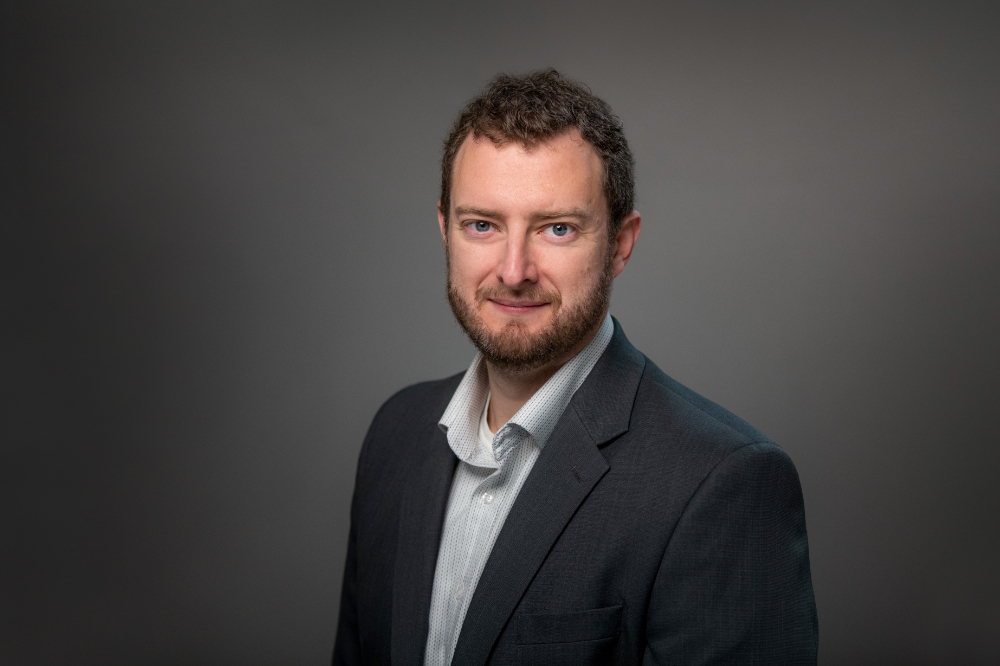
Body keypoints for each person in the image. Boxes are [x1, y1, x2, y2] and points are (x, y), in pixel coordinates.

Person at [333, 69, 817, 666]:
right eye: (482, 225)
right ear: (445, 231)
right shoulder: (395, 435)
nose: (513, 270)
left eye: (556, 228)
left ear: (619, 244)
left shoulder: (723, 486)